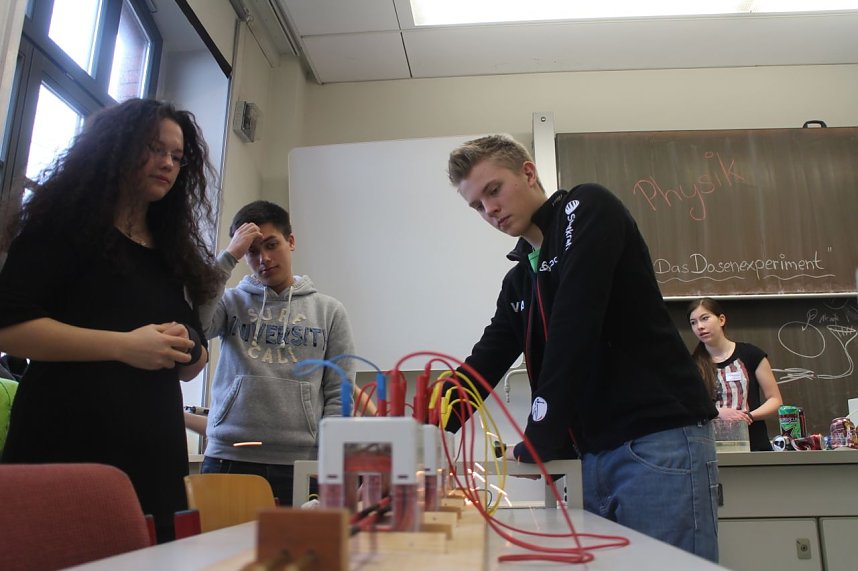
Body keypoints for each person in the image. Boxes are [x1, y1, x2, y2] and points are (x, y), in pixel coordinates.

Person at [445, 135, 719, 561]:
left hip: (654, 442)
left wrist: (541, 432)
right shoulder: (520, 280)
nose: (490, 210)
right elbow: (488, 357)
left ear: (528, 172)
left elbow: (576, 321)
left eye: (493, 190)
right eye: (477, 206)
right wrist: (423, 421)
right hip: (590, 459)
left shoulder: (585, 208)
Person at [0, 98, 221, 542]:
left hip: (153, 462)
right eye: (155, 148)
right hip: (67, 446)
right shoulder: (62, 226)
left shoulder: (170, 251)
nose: (168, 164)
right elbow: (10, 327)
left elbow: (191, 361)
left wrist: (190, 349)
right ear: (117, 147)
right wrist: (123, 346)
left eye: (177, 157)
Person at [185, 200, 357, 504]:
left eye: (271, 245)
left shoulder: (329, 311)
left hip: (300, 463)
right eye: (252, 251)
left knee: (302, 550)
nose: (263, 258)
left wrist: (329, 460)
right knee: (220, 550)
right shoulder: (230, 302)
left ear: (291, 241)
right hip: (228, 456)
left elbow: (338, 392)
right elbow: (195, 325)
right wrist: (228, 257)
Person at [687, 297, 783, 451]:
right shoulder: (691, 365)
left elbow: (775, 400)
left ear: (721, 319)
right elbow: (689, 407)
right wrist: (718, 412)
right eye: (693, 322)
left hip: (754, 445)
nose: (700, 326)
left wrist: (747, 416)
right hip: (711, 449)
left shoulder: (751, 354)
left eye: (705, 318)